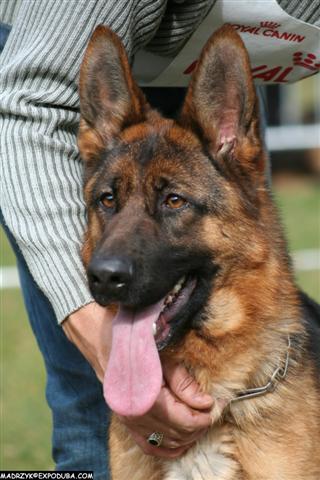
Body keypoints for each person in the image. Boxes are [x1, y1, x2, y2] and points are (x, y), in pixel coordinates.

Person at [0, 0, 319, 478]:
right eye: (110, 202)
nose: (111, 258)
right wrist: (86, 323)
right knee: (89, 405)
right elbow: (31, 108)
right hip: (42, 77)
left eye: (173, 203)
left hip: (204, 74)